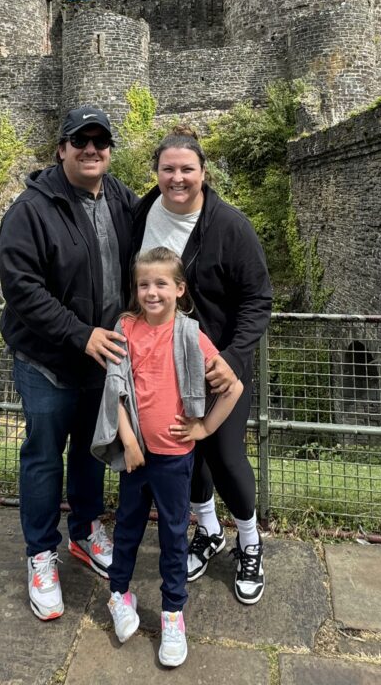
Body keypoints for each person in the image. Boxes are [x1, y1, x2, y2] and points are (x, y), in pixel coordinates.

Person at [0, 105, 137, 621]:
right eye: (81, 140)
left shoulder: (121, 199)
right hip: (48, 360)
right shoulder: (30, 211)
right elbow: (22, 291)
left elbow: (159, 241)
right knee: (42, 455)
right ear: (61, 149)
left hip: (101, 361)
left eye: (100, 141)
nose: (91, 149)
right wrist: (81, 335)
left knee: (90, 450)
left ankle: (83, 531)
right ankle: (40, 553)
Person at [132, 128, 273, 604]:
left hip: (219, 365)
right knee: (183, 451)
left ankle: (250, 542)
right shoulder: (141, 214)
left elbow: (258, 299)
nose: (177, 178)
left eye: (186, 169)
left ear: (202, 173)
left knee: (226, 457)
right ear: (156, 173)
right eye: (168, 169)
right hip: (163, 364)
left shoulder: (230, 226)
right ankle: (209, 531)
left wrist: (233, 360)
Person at [91, 247, 243, 667]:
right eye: (144, 285)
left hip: (176, 457)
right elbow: (116, 390)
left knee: (175, 537)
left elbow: (233, 388)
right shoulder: (125, 327)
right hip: (137, 456)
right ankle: (119, 595)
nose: (151, 292)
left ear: (179, 289)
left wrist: (205, 428)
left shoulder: (191, 335)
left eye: (161, 284)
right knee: (127, 530)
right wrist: (130, 442)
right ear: (135, 290)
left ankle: (173, 614)